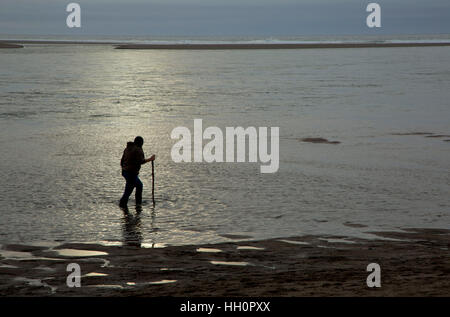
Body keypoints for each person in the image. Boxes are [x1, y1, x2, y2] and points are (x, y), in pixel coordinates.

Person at [119, 136, 155, 208]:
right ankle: (123, 206)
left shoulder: (127, 148)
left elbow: (121, 161)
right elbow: (141, 161)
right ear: (141, 143)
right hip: (131, 174)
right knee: (127, 192)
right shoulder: (138, 150)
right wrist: (151, 159)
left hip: (126, 172)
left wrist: (124, 169)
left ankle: (138, 204)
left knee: (139, 185)